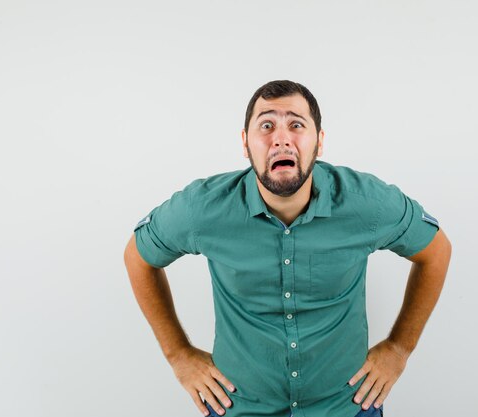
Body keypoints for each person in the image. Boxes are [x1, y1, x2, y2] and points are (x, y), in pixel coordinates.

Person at [124, 80, 452, 417]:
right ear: (245, 143)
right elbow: (138, 257)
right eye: (266, 125)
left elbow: (436, 251)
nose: (281, 138)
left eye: (296, 124)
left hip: (347, 407)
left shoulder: (368, 203)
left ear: (319, 141)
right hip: (241, 408)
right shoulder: (201, 209)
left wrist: (399, 349)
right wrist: (178, 355)